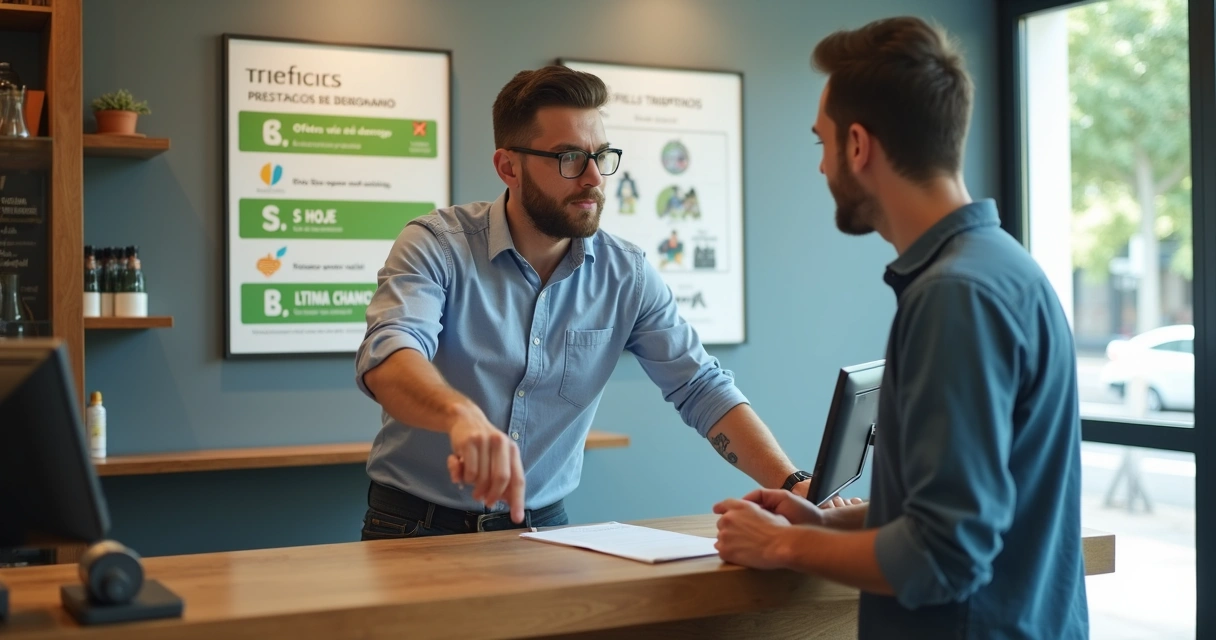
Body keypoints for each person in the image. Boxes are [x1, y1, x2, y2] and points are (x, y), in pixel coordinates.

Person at [713, 16, 1089, 640]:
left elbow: (945, 554)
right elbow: (959, 509)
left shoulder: (954, 297)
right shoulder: (1004, 268)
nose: (822, 168)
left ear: (858, 146)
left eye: (822, 144)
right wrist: (819, 523)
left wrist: (782, 548)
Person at [355, 65, 814, 539]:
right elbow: (389, 353)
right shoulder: (436, 245)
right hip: (413, 524)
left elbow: (699, 386)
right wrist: (459, 414)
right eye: (569, 157)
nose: (594, 177)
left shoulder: (626, 274)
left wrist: (792, 482)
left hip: (541, 526)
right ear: (508, 167)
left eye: (601, 155)